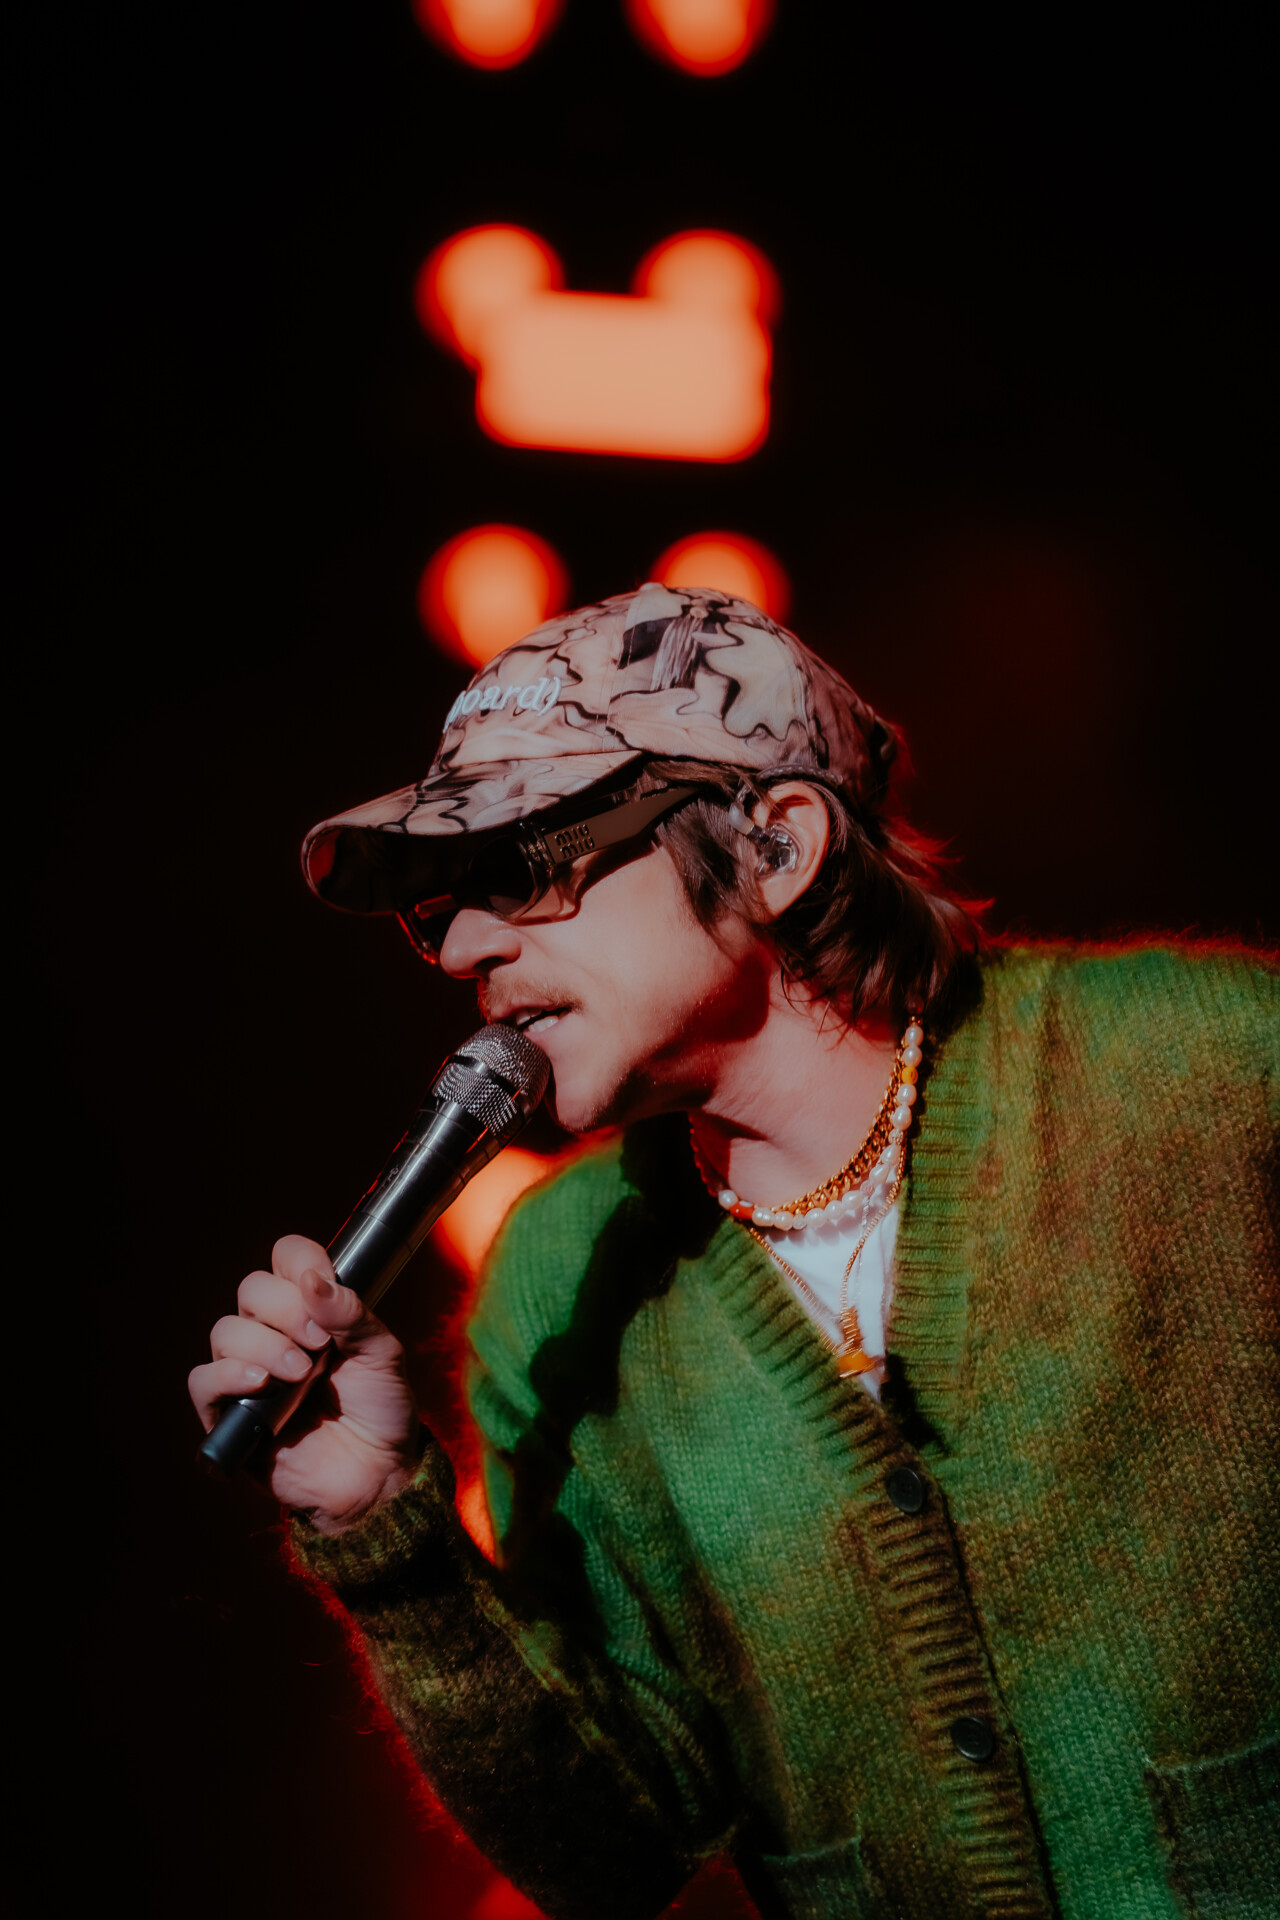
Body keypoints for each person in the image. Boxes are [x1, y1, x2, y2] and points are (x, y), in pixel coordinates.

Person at [190, 585, 1279, 1920]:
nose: (466, 944)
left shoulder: (1210, 1075)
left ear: (776, 844)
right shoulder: (560, 1277)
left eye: (522, 865)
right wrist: (386, 1538)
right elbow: (614, 1854)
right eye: (445, 905)